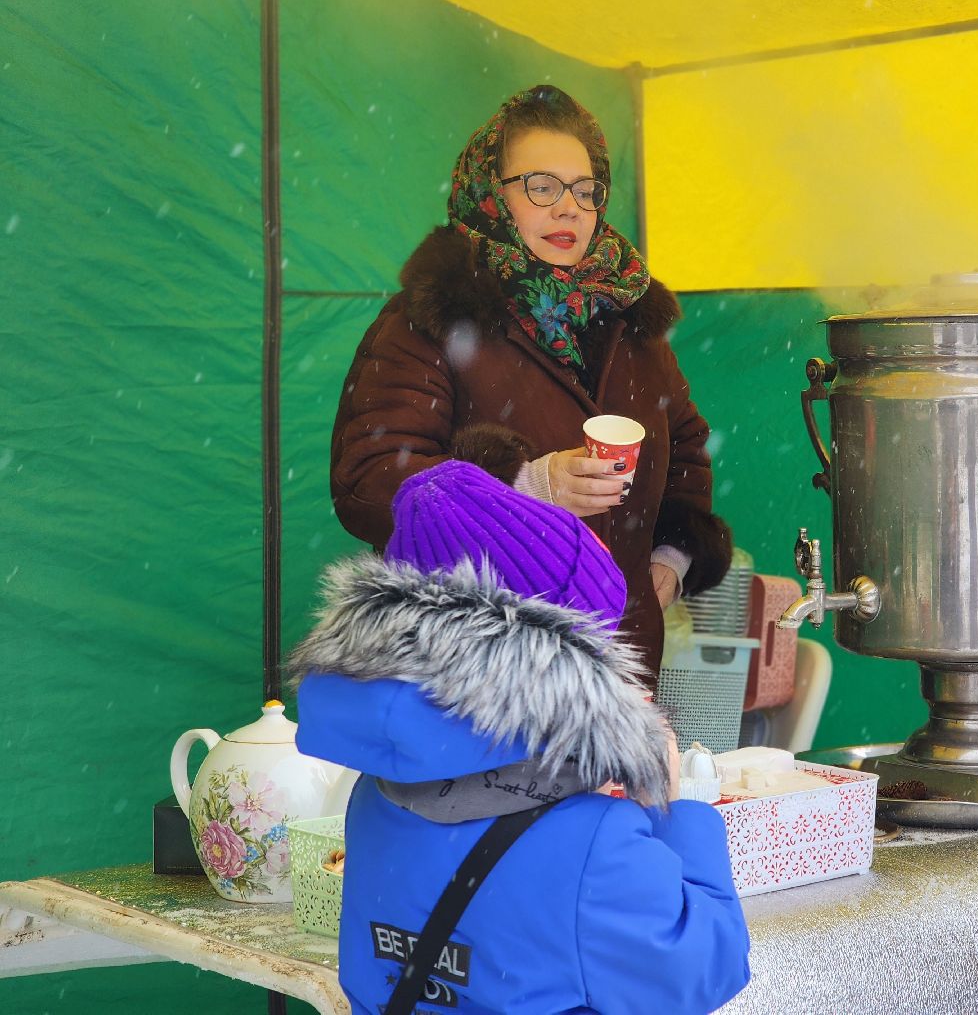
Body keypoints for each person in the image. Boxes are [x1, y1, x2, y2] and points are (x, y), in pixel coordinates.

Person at [290, 460, 752, 1014]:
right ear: (561, 669)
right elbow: (705, 969)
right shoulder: (595, 845)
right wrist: (682, 806)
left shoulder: (373, 799)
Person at [331, 85, 731, 680]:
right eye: (541, 187)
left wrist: (671, 560)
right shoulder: (434, 318)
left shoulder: (631, 322)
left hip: (617, 678)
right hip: (475, 675)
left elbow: (688, 453)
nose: (569, 208)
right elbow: (370, 479)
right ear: (490, 196)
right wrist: (526, 484)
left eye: (586, 191)